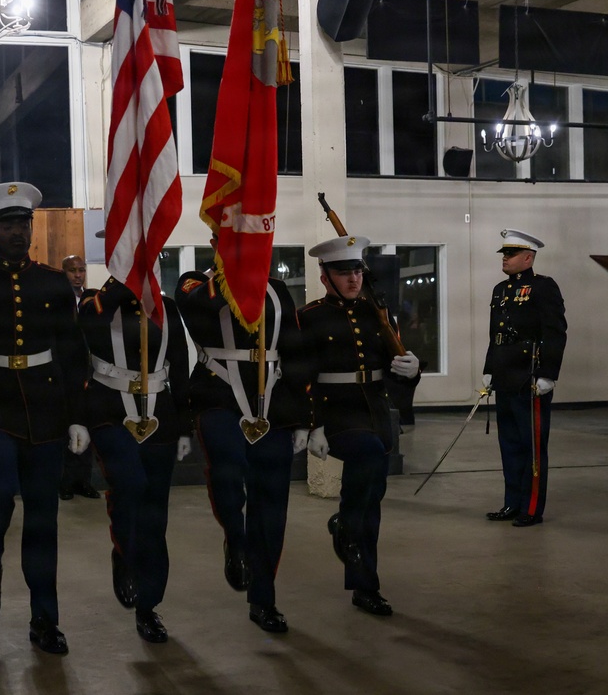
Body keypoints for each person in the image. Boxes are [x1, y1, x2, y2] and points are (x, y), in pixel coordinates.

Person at [0, 182, 90, 654]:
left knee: (44, 520)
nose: (18, 232)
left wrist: (78, 416)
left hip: (46, 408)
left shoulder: (53, 283)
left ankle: (45, 619)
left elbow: (72, 353)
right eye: (8, 225)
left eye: (23, 223)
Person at [175, 237, 310, 634]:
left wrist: (303, 416)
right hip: (218, 396)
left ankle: (263, 598)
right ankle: (234, 537)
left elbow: (294, 349)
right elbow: (201, 309)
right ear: (216, 242)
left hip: (272, 403)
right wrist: (232, 273)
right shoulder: (193, 284)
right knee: (228, 473)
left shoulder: (276, 289)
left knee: (272, 506)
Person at [298, 235, 420, 617]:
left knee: (371, 501)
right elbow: (300, 375)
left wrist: (412, 370)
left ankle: (363, 582)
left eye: (356, 271)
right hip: (336, 414)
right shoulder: (310, 317)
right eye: (342, 272)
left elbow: (395, 368)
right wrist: (312, 425)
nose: (352, 279)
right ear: (325, 277)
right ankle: (349, 535)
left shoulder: (377, 314)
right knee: (365, 462)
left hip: (375, 412)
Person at [79, 273, 191, 643]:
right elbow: (81, 347)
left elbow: (180, 362)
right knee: (130, 484)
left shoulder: (167, 308)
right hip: (109, 411)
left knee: (155, 511)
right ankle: (123, 552)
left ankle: (148, 605)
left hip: (161, 414)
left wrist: (186, 425)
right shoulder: (94, 305)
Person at [482, 229, 567, 527]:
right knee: (509, 444)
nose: (504, 258)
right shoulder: (500, 290)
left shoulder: (543, 288)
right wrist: (490, 368)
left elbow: (555, 333)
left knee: (532, 446)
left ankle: (531, 508)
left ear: (528, 257)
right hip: (505, 375)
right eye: (504, 253)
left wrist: (548, 374)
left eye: (511, 254)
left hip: (531, 377)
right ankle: (511, 503)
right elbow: (496, 334)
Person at [59, 253, 99, 501]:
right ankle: (64, 481)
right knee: (66, 426)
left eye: (81, 270)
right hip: (64, 370)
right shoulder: (57, 301)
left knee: (87, 424)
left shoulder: (93, 299)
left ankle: (84, 480)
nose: (77, 275)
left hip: (89, 369)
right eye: (72, 270)